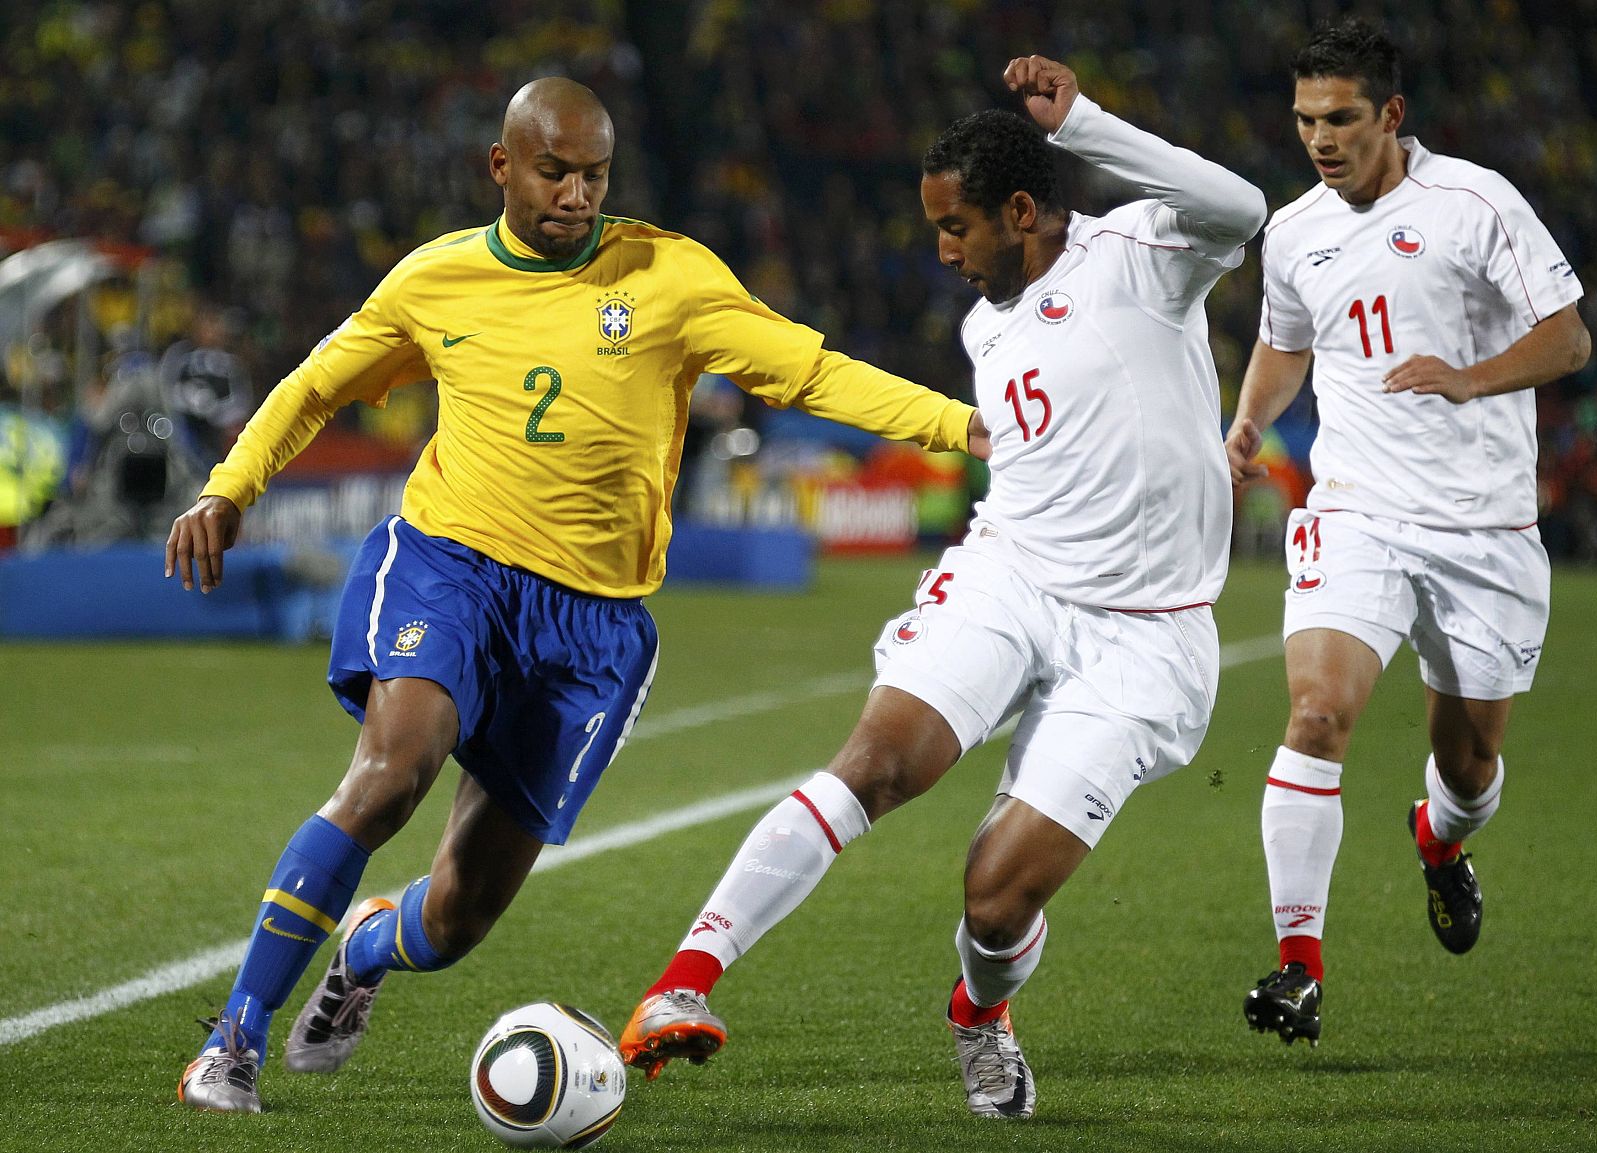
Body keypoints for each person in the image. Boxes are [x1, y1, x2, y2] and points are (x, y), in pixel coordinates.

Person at [165, 77, 986, 1114]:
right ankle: (232, 1040)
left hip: (592, 624)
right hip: (449, 563)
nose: (577, 194)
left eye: (595, 174)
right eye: (555, 171)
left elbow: (810, 374)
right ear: (502, 166)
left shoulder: (670, 275)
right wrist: (228, 487)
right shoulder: (438, 280)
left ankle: (367, 943)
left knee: (458, 920)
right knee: (390, 770)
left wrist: (963, 427)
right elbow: (316, 385)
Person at [619, 54, 1265, 1119]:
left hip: (1145, 633)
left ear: (1022, 209)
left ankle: (979, 1009)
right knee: (878, 761)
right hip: (1010, 576)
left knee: (995, 894)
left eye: (955, 226)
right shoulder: (984, 326)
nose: (942, 251)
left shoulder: (1141, 257)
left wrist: (1087, 124)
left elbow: (1239, 207)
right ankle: (678, 986)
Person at [1228, 18, 1590, 1048]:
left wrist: (1465, 377)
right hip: (1356, 511)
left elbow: (1567, 337)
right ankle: (1299, 965)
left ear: (1390, 114)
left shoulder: (1474, 204)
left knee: (1470, 767)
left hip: (1485, 529)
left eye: (1339, 118)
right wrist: (1249, 421)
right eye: (1304, 120)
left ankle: (1438, 840)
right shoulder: (1294, 231)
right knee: (1314, 716)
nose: (1319, 139)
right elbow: (1281, 342)